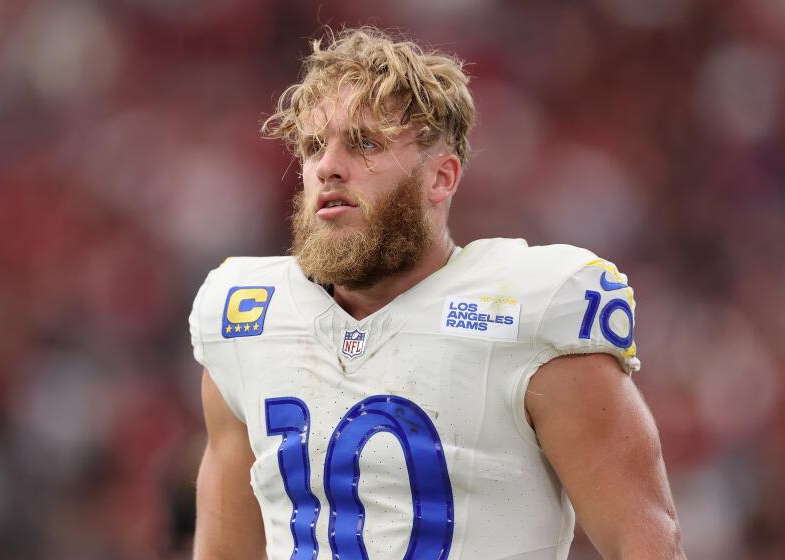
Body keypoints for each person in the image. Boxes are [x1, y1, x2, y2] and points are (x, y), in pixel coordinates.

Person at [189, 26, 685, 560]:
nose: (327, 165)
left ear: (441, 178)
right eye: (314, 146)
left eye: (364, 143)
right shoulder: (247, 317)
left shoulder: (532, 311)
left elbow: (644, 543)